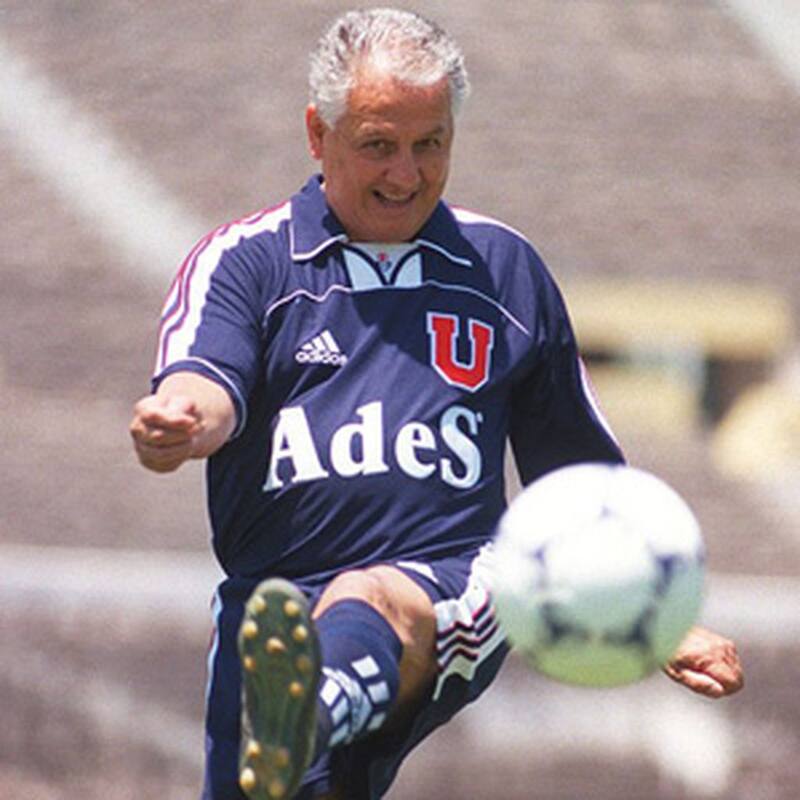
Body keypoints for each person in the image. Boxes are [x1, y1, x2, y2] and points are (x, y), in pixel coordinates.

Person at [129, 8, 743, 800]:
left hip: (455, 579)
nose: (406, 173)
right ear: (318, 134)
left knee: (373, 597)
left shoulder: (501, 269)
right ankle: (303, 711)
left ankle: (313, 706)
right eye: (378, 145)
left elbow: (580, 481)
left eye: (430, 144)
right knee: (278, 778)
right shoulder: (248, 261)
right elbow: (204, 385)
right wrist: (178, 423)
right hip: (274, 611)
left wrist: (658, 619)